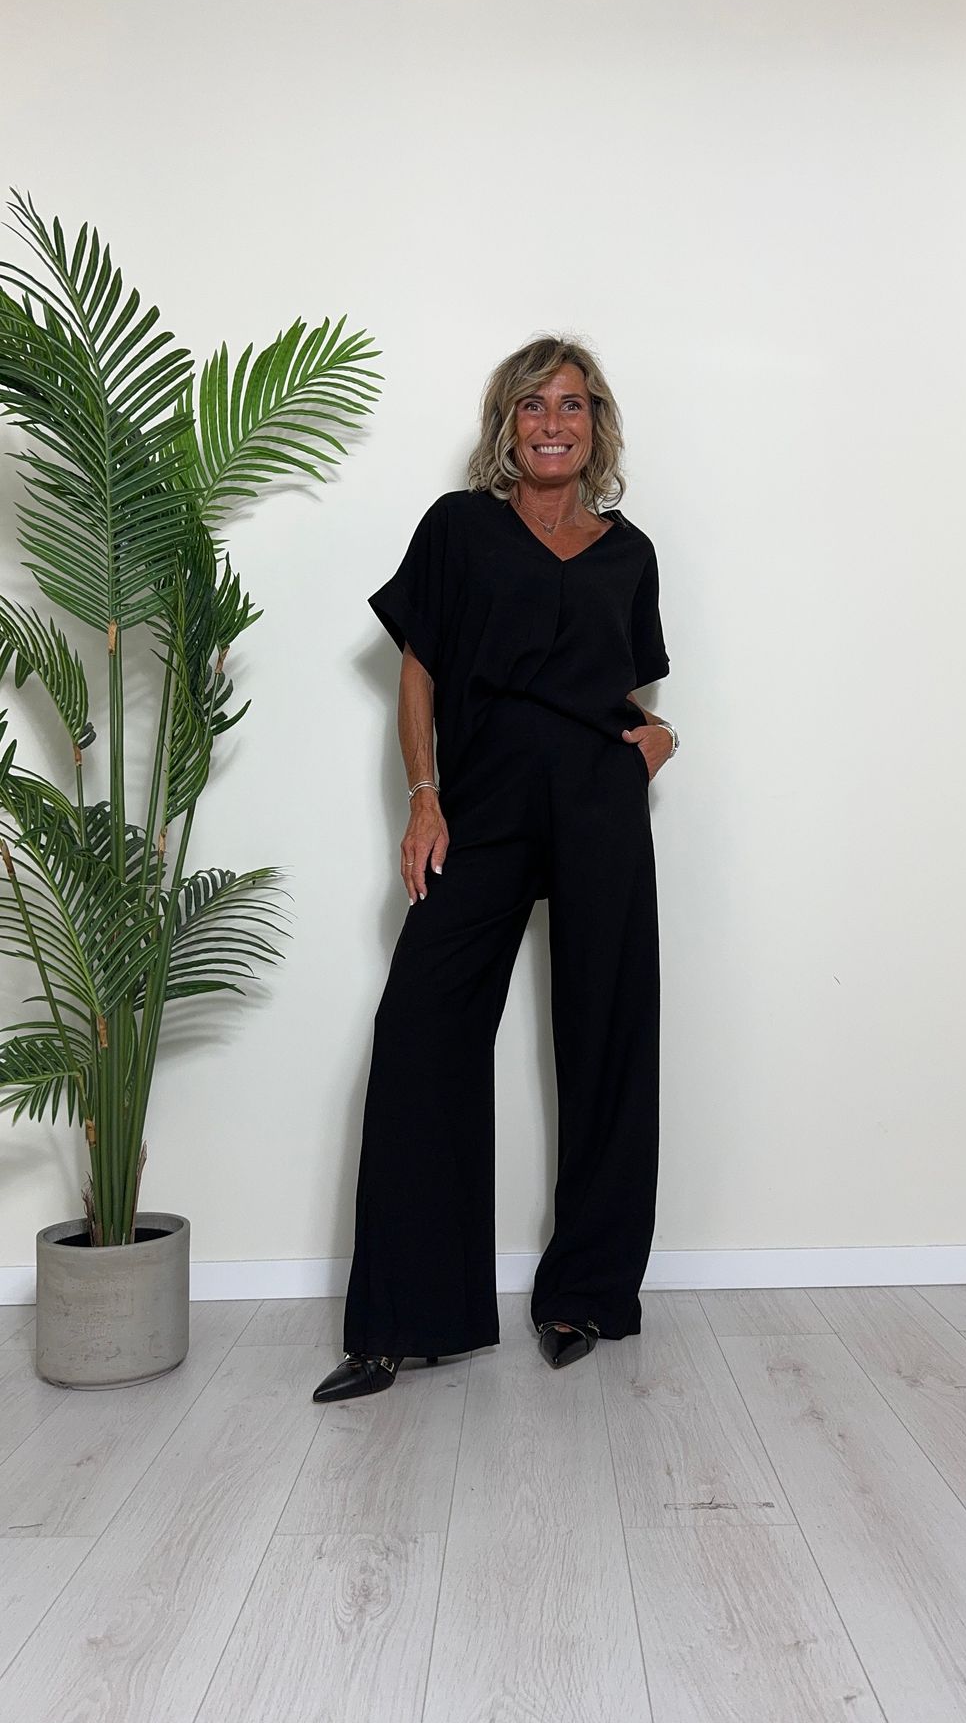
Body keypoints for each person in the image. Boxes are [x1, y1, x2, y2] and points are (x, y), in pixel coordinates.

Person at [313, 335, 678, 1403]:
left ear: (595, 425)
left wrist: (657, 741)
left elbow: (621, 687)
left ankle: (585, 1294)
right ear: (506, 423)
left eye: (571, 404)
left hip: (599, 800)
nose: (551, 423)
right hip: (482, 802)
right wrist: (424, 798)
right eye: (532, 405)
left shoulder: (628, 552)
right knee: (420, 1028)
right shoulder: (459, 528)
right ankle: (405, 1320)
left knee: (607, 1033)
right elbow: (419, 670)